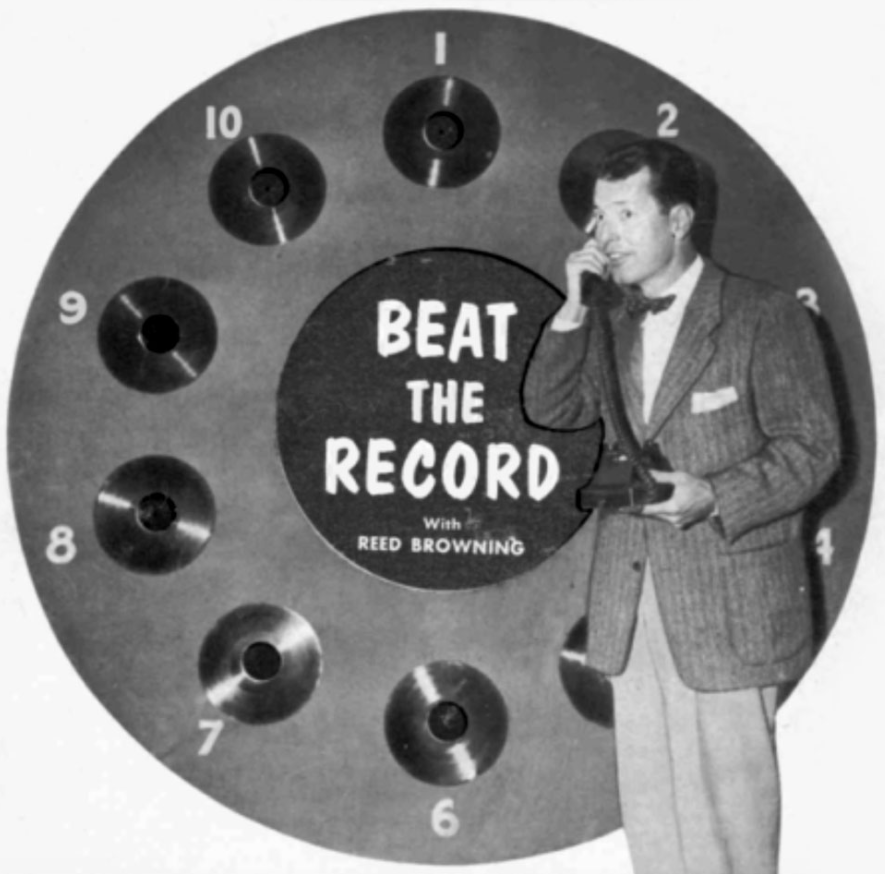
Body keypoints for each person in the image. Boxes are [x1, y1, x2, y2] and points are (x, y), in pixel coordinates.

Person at [522, 138, 840, 874]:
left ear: (680, 219)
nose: (603, 235)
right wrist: (572, 311)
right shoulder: (607, 321)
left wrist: (713, 496)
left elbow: (813, 449)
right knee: (655, 832)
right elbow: (548, 406)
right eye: (597, 218)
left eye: (625, 213)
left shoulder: (763, 315)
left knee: (731, 837)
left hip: (729, 605)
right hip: (633, 605)